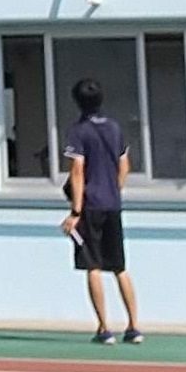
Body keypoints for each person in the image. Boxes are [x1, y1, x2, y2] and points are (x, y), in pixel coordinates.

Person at [59, 79, 143, 346]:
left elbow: (77, 171)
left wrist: (76, 211)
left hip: (91, 207)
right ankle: (134, 327)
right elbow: (124, 165)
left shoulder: (79, 131)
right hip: (112, 205)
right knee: (119, 267)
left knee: (93, 266)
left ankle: (104, 328)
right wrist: (114, 190)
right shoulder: (114, 128)